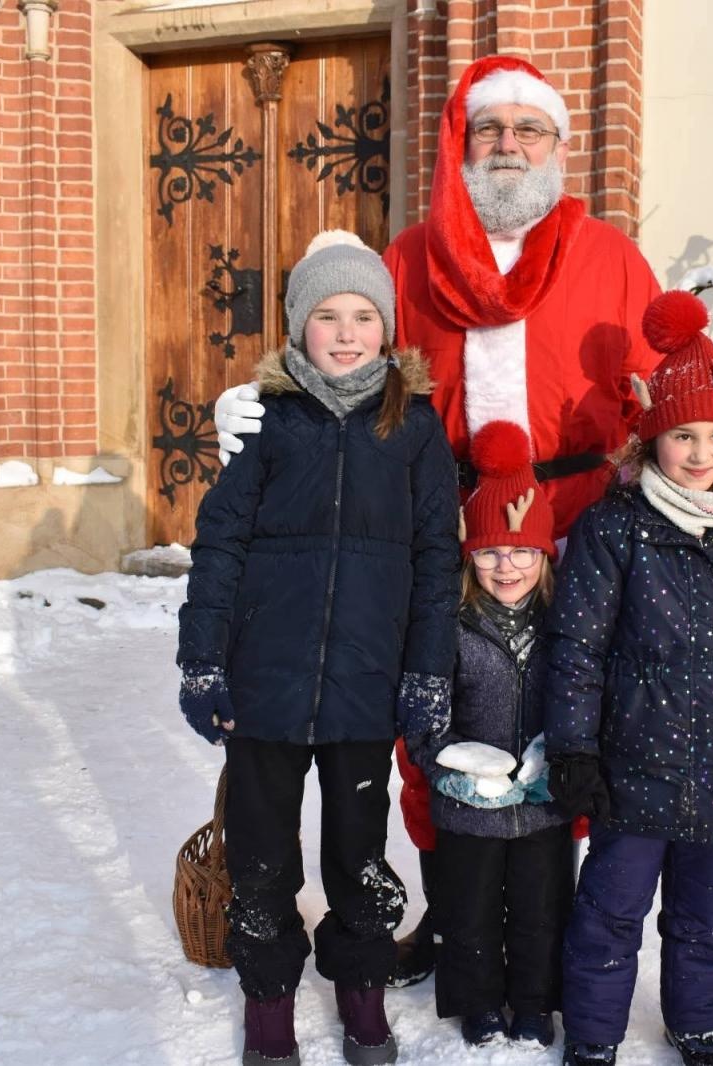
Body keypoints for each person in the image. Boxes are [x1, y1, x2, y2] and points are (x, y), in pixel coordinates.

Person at [215, 54, 665, 987]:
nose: (507, 146)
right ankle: (451, 917)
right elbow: (351, 374)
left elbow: (657, 399)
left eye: (526, 129)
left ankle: (545, 921)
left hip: (571, 525)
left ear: (557, 144)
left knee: (561, 715)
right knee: (435, 721)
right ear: (462, 143)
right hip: (440, 522)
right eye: (488, 129)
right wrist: (264, 418)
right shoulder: (409, 260)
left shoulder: (612, 258)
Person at [177, 230, 460, 1066]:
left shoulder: (413, 430)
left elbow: (437, 559)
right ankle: (268, 1003)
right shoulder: (266, 422)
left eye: (363, 315)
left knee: (357, 854)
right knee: (262, 857)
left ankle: (361, 992)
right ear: (299, 326)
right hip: (266, 683)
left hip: (366, 688)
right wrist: (203, 661)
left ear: (387, 328)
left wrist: (427, 669)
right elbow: (218, 547)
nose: (345, 332)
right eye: (327, 315)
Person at [543, 291, 713, 1066]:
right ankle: (595, 1037)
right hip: (632, 767)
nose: (699, 453)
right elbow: (578, 648)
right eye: (680, 435)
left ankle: (698, 1023)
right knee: (609, 912)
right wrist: (574, 750)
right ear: (651, 437)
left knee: (704, 915)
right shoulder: (615, 527)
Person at [402, 420, 574, 1050]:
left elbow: (582, 698)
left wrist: (564, 761)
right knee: (467, 909)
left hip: (542, 803)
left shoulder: (563, 625)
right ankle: (476, 1001)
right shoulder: (449, 623)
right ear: (470, 556)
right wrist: (445, 768)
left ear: (544, 556)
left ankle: (534, 1002)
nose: (509, 566)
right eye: (492, 552)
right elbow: (423, 708)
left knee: (540, 909)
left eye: (523, 551)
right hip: (466, 804)